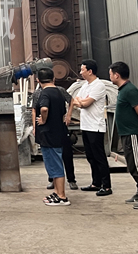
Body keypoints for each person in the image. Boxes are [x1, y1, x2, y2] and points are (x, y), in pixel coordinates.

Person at [108, 62, 138, 210]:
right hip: (128, 133)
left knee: (137, 165)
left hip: (133, 133)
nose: (110, 77)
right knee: (132, 165)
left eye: (110, 74)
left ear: (117, 75)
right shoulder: (123, 90)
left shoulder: (130, 90)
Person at [74, 59, 112, 196]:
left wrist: (82, 102)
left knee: (99, 157)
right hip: (85, 125)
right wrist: (81, 102)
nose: (80, 72)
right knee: (90, 156)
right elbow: (76, 100)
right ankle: (96, 183)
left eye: (82, 70)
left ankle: (106, 186)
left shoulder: (98, 85)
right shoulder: (85, 85)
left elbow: (85, 104)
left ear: (90, 71)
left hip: (95, 127)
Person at [35, 68, 71, 206]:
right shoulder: (59, 92)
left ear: (38, 80)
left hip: (49, 134)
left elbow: (44, 108)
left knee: (55, 165)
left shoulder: (45, 93)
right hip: (58, 131)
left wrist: (43, 120)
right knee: (53, 165)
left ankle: (62, 196)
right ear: (53, 79)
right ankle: (57, 192)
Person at [31, 84, 76, 190]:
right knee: (50, 156)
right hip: (46, 128)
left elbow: (71, 101)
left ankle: (71, 179)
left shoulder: (59, 90)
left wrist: (69, 115)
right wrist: (35, 127)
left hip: (59, 126)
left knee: (66, 153)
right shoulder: (37, 93)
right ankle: (52, 179)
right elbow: (34, 110)